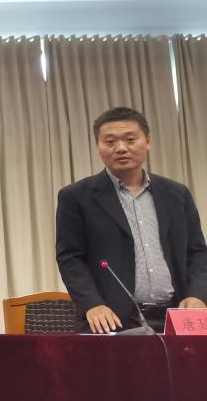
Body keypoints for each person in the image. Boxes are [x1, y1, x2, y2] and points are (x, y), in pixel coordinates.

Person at [56, 107, 207, 334]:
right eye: (110, 142)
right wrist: (92, 304)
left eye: (130, 139)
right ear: (97, 145)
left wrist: (197, 294)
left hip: (177, 316)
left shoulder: (177, 193)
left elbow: (197, 252)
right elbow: (70, 258)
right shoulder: (76, 197)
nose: (121, 148)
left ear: (147, 141)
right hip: (113, 320)